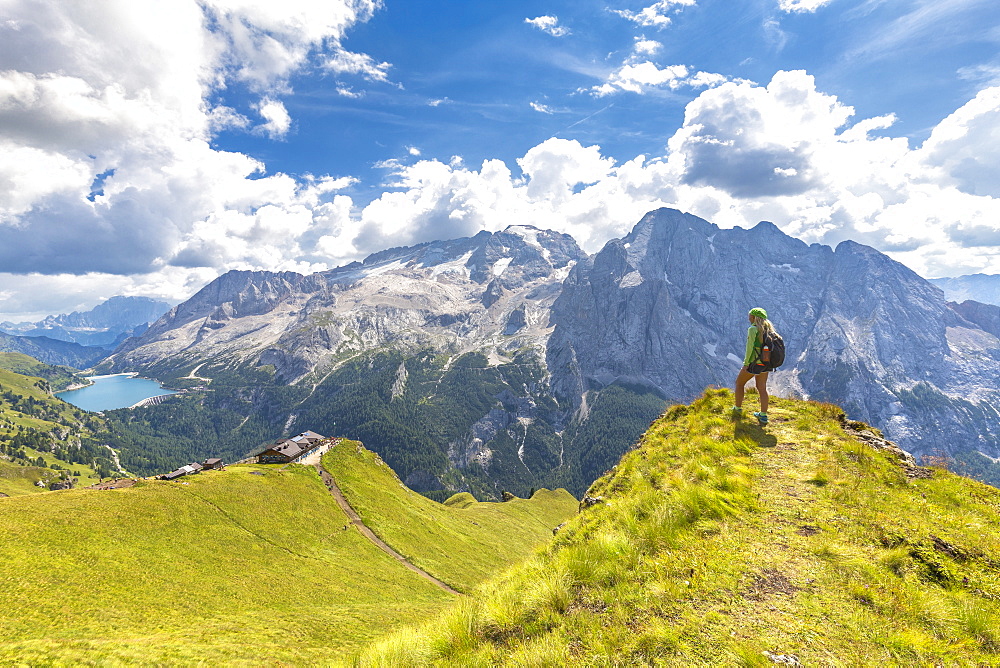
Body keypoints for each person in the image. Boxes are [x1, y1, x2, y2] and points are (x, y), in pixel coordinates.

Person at [733, 307, 778, 425]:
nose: (748, 318)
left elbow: (750, 349)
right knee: (762, 388)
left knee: (739, 383)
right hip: (766, 363)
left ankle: (737, 409)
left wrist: (746, 364)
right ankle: (763, 415)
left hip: (755, 363)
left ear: (754, 317)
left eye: (750, 315)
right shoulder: (769, 330)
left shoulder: (753, 329)